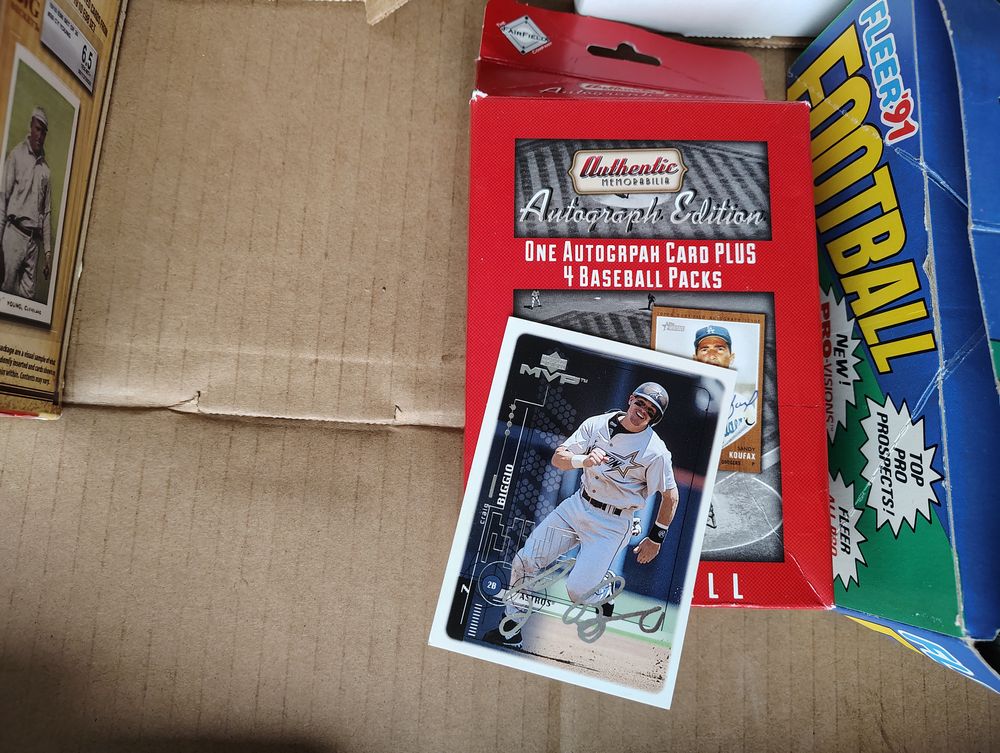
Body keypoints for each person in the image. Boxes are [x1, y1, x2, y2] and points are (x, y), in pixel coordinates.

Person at [484, 382, 679, 649]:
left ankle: (603, 592)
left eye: (651, 410)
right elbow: (559, 458)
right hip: (577, 506)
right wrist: (583, 460)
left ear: (654, 418)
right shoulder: (596, 424)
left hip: (612, 523)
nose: (642, 410)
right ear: (631, 398)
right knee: (525, 561)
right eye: (641, 403)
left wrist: (656, 538)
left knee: (577, 592)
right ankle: (511, 630)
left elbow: (671, 496)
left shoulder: (655, 451)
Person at [1, 107, 52, 298]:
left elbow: (46, 213)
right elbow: (2, 199)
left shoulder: (46, 171)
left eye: (44, 132)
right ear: (31, 126)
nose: (40, 135)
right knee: (5, 291)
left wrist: (47, 253)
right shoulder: (16, 155)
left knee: (27, 298)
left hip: (33, 244)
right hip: (13, 236)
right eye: (38, 129)